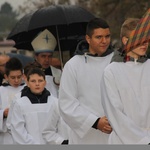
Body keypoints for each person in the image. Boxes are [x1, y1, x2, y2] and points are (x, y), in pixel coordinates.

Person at [58, 17, 113, 144]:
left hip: (115, 133)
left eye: (107, 36)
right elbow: (67, 104)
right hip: (86, 137)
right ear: (88, 39)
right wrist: (95, 122)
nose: (104, 41)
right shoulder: (73, 65)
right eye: (99, 37)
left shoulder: (117, 61)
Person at [101, 18, 150, 144]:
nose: (145, 43)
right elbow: (115, 115)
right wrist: (143, 141)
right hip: (123, 141)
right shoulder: (111, 72)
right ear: (125, 40)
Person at [9, 68, 67, 144]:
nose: (37, 84)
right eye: (33, 81)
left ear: (45, 82)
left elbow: (60, 127)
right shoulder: (20, 103)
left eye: (40, 81)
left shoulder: (54, 102)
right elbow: (18, 130)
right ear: (27, 83)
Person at [0, 57, 24, 144]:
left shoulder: (27, 90)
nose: (16, 80)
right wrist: (3, 113)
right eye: (13, 77)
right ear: (6, 76)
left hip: (24, 134)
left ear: (23, 75)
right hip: (6, 136)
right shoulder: (1, 90)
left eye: (19, 77)